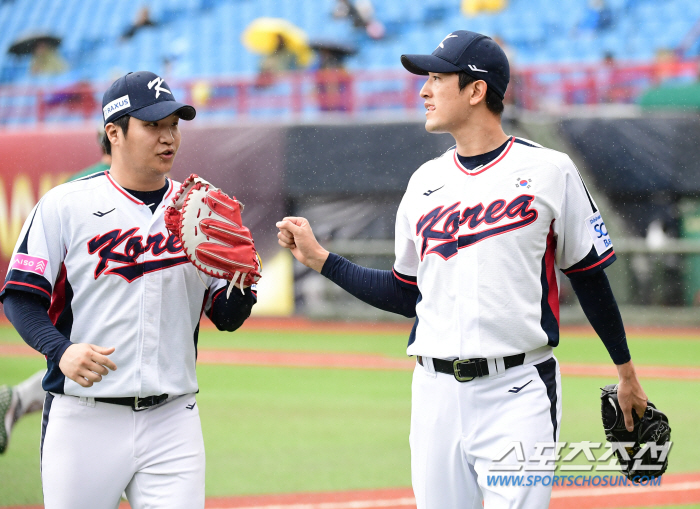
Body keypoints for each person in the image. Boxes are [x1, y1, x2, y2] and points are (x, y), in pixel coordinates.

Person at [277, 31, 649, 508]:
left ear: (476, 90)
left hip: (518, 391)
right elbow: (405, 293)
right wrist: (323, 261)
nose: (424, 90)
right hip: (434, 395)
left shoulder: (550, 170)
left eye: (436, 77)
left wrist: (626, 371)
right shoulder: (425, 182)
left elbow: (590, 273)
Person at [1, 71, 256, 508]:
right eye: (153, 125)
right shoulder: (65, 205)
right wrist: (59, 351)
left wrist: (245, 277)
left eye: (174, 125)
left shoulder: (200, 211)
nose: (168, 137)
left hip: (174, 420)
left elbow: (228, 318)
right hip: (84, 419)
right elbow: (21, 296)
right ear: (114, 132)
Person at [0, 132, 114, 456]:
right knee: (96, 365)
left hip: (72, 294)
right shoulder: (100, 186)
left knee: (91, 364)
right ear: (117, 138)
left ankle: (19, 399)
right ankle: (20, 398)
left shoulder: (75, 183)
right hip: (88, 295)